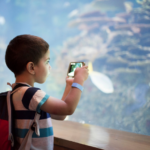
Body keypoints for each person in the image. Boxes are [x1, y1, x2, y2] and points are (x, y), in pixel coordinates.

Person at [5, 34, 89, 150]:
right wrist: (79, 80)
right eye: (47, 61)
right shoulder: (32, 94)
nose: (49, 67)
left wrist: (69, 85)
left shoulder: (16, 93)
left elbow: (60, 114)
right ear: (31, 68)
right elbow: (68, 108)